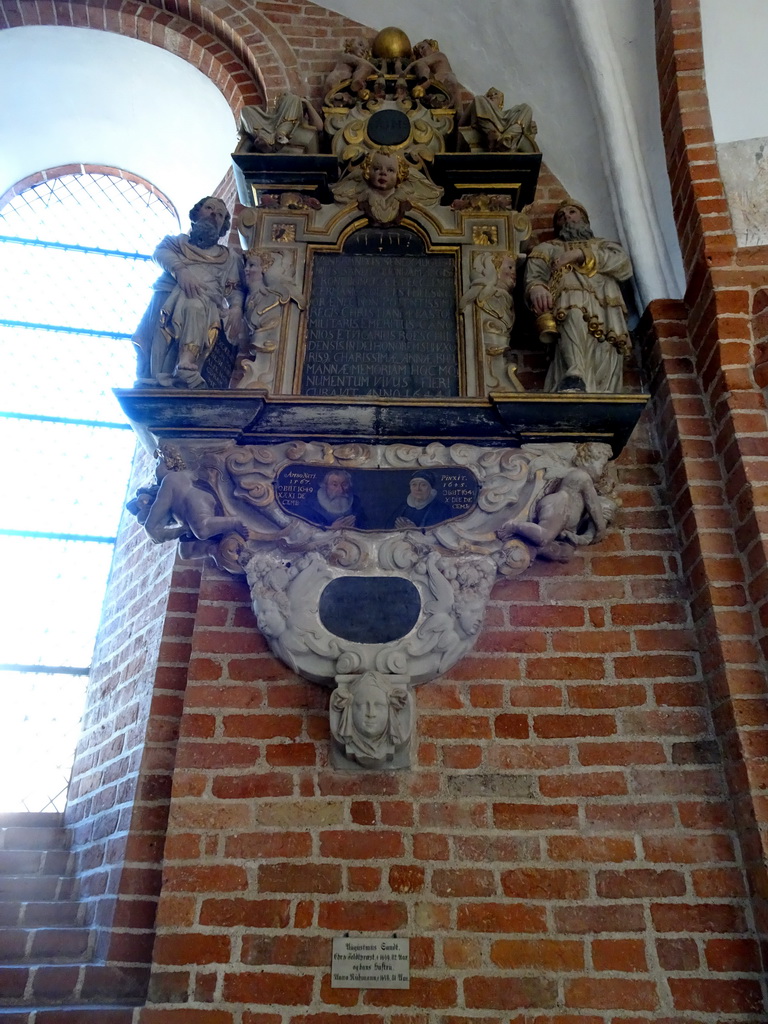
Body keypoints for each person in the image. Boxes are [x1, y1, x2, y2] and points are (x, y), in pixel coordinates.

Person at [132, 197, 245, 389]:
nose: (213, 215)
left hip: (207, 306)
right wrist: (181, 271)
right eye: (209, 208)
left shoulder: (228, 258)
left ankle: (187, 366)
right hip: (166, 300)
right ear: (196, 214)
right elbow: (160, 254)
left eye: (219, 215)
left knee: (194, 304)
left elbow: (233, 290)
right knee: (158, 356)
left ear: (224, 225)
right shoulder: (175, 243)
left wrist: (236, 307)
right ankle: (157, 379)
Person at [525, 199, 633, 394]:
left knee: (605, 351)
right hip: (567, 300)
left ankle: (602, 392)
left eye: (572, 212)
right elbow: (534, 275)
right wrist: (536, 288)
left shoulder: (602, 245)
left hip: (605, 306)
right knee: (573, 315)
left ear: (584, 218)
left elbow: (623, 266)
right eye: (561, 216)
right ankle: (574, 374)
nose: (567, 217)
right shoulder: (547, 248)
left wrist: (580, 254)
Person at [238, 93, 323, 154]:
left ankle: (279, 136)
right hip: (272, 123)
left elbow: (319, 127)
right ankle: (266, 139)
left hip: (283, 131)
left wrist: (307, 103)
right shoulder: (270, 116)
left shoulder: (296, 105)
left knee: (293, 98)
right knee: (245, 110)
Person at [461, 87, 538, 153]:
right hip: (492, 131)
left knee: (526, 107)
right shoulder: (480, 101)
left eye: (495, 94)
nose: (492, 96)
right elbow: (461, 123)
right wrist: (477, 104)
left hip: (506, 125)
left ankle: (506, 139)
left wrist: (530, 128)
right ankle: (495, 136)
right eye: (488, 96)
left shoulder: (510, 113)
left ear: (501, 102)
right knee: (478, 98)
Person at [300, 469, 366, 529]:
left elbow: (364, 525)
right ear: (325, 486)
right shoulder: (311, 506)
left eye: (344, 484)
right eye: (334, 485)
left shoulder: (356, 503)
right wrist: (331, 529)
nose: (340, 490)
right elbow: (307, 534)